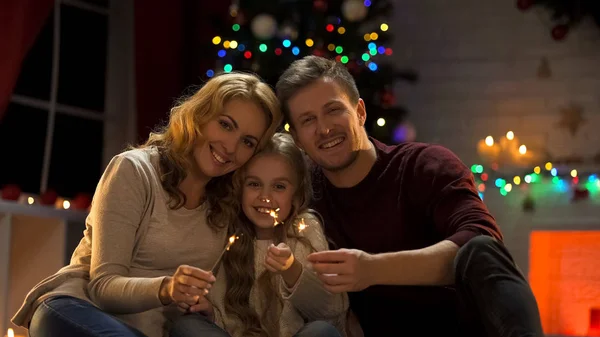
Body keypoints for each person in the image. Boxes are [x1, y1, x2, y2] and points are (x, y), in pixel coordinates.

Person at [275, 56, 544, 337]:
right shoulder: (303, 198)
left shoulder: (425, 165)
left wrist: (372, 269)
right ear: (296, 139)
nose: (324, 128)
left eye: (333, 110)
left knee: (481, 250)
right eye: (308, 120)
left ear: (360, 112)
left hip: (464, 329)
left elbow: (480, 242)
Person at [11, 72, 282, 337]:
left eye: (247, 142)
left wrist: (206, 307)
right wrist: (167, 288)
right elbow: (102, 287)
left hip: (158, 327)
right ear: (200, 115)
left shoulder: (227, 201)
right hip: (82, 308)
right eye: (225, 125)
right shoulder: (133, 170)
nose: (231, 147)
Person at [170, 133, 350, 337]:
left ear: (296, 194)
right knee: (187, 326)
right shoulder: (226, 233)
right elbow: (226, 321)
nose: (265, 197)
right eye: (254, 184)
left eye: (279, 186)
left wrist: (292, 270)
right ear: (239, 187)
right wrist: (211, 314)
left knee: (321, 331)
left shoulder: (305, 229)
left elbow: (331, 311)